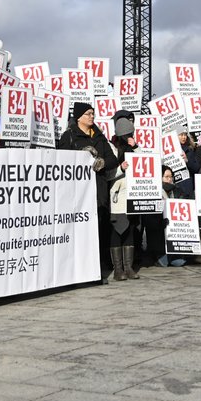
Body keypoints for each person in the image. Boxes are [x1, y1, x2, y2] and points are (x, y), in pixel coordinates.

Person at [58, 103, 119, 282]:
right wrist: (79, 155)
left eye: (93, 113)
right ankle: (76, 271)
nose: (92, 117)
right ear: (78, 117)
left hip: (98, 190)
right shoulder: (69, 136)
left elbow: (112, 159)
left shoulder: (99, 136)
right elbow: (61, 161)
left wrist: (102, 162)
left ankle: (95, 270)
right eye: (88, 114)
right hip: (76, 192)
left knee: (98, 229)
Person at [105, 116, 141, 281]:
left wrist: (137, 148)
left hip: (133, 195)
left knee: (130, 231)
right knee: (116, 231)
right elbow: (108, 174)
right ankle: (118, 269)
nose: (129, 137)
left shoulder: (134, 148)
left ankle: (128, 267)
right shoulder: (112, 149)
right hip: (118, 197)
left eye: (131, 134)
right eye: (126, 134)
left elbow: (145, 165)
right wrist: (121, 168)